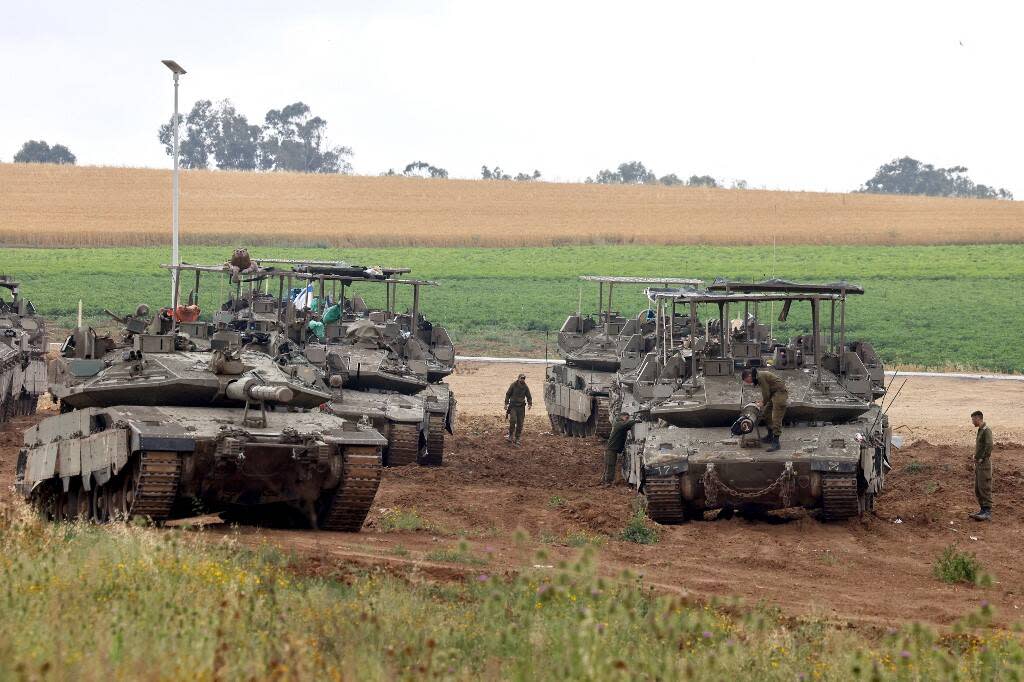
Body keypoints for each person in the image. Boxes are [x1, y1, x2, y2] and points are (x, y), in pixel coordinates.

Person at [741, 367, 787, 452]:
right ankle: (770, 436)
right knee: (766, 414)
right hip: (773, 394)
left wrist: (763, 402)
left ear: (750, 375)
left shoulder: (760, 376)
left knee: (776, 417)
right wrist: (763, 401)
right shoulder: (758, 376)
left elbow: (765, 392)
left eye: (747, 380)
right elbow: (767, 392)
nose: (748, 382)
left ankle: (776, 442)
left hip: (780, 393)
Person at [604, 412, 639, 485]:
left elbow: (627, 426)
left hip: (612, 448)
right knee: (610, 465)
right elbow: (627, 424)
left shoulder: (618, 423)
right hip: (611, 449)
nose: (627, 419)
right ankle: (608, 481)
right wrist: (637, 421)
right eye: (626, 418)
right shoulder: (618, 423)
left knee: (609, 465)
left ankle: (605, 480)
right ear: (621, 417)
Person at [970, 410, 993, 521]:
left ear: (978, 418)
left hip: (984, 464)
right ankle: (982, 510)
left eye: (973, 419)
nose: (972, 422)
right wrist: (975, 456)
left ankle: (987, 512)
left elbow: (989, 446)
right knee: (978, 488)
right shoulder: (980, 430)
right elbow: (982, 446)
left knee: (984, 487)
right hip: (979, 463)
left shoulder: (986, 430)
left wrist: (982, 458)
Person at [504, 373, 532, 446]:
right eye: (521, 378)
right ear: (518, 378)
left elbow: (529, 396)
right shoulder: (513, 385)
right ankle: (510, 435)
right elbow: (508, 394)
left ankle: (517, 438)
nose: (522, 379)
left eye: (524, 378)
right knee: (513, 420)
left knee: (520, 423)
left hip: (521, 407)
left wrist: (530, 404)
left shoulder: (525, 387)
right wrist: (506, 404)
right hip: (513, 406)